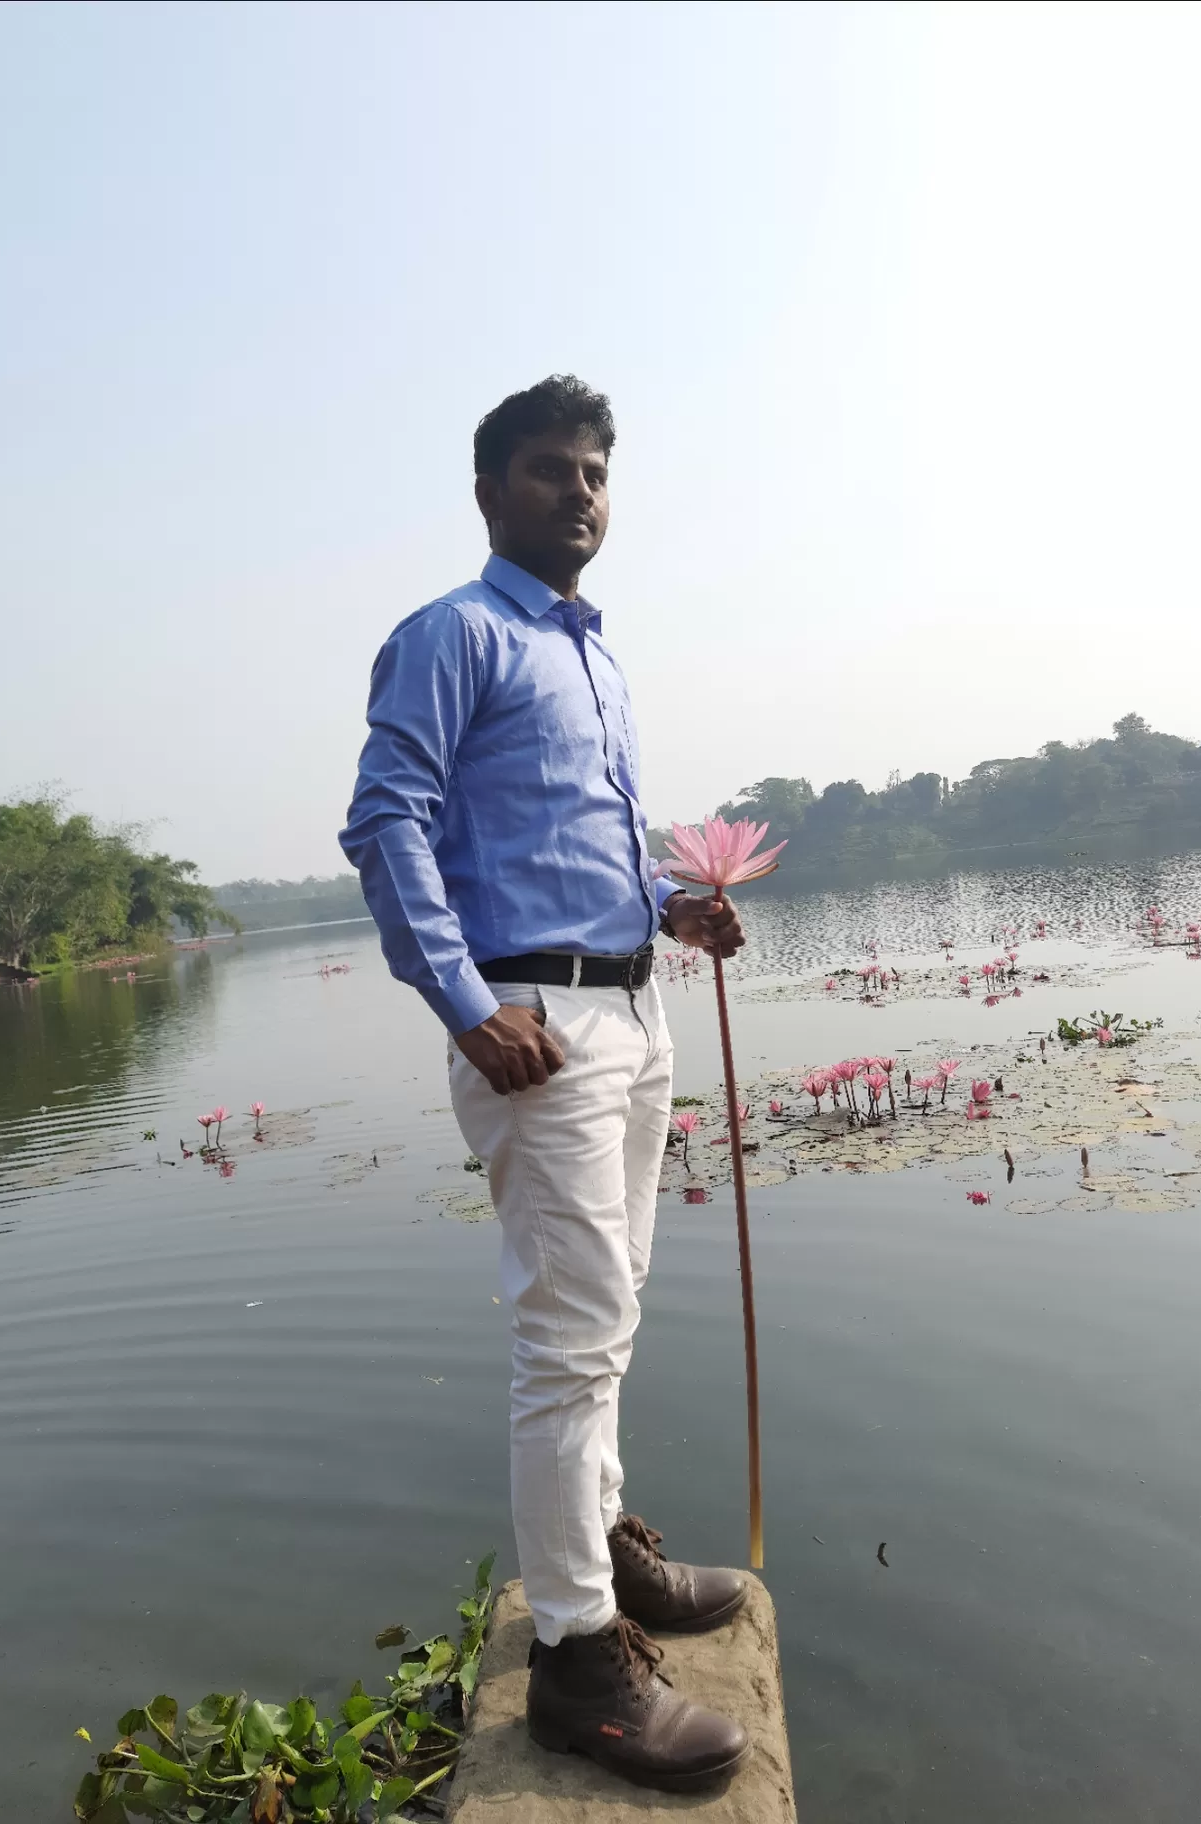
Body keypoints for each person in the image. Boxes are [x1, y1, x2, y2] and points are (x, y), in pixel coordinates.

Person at [340, 376, 750, 1792]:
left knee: (611, 1309)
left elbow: (586, 845)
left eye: (593, 473)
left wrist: (673, 909)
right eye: (548, 470)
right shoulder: (453, 634)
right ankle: (577, 1662)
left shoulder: (597, 659)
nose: (579, 492)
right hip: (534, 1024)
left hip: (633, 1007)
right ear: (488, 493)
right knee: (566, 1340)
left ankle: (609, 1555)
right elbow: (384, 823)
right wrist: (465, 1008)